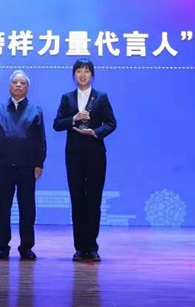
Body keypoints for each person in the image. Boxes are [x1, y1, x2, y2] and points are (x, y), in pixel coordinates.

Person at [53, 58, 116, 262]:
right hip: (74, 155)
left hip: (96, 154)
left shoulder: (101, 97)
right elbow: (57, 124)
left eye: (87, 71)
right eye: (79, 71)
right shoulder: (67, 98)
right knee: (77, 200)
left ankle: (92, 247)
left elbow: (111, 123)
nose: (82, 75)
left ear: (92, 75)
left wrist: (95, 132)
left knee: (94, 201)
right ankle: (80, 247)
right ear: (74, 75)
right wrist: (74, 118)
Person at [0, 70, 47, 261]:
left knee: (27, 209)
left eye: (22, 83)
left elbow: (40, 140)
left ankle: (26, 247)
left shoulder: (36, 110)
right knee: (2, 208)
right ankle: (1, 247)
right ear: (9, 86)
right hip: (3, 166)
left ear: (27, 87)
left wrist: (39, 164)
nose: (18, 85)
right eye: (15, 82)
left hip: (27, 167)